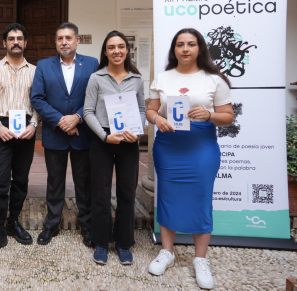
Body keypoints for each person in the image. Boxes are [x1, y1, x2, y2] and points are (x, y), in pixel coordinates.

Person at [146, 28, 234, 290]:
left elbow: (228, 116)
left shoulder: (214, 79)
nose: (185, 49)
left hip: (201, 148)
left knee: (200, 198)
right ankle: (167, 252)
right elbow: (151, 110)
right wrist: (158, 118)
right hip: (168, 146)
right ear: (174, 49)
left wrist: (208, 115)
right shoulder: (162, 77)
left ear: (200, 48)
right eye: (180, 44)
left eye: (191, 44)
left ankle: (200, 259)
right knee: (168, 197)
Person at [30, 22, 98, 247]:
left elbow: (95, 96)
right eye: (60, 38)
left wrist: (77, 117)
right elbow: (37, 98)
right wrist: (61, 121)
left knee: (84, 182)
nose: (64, 42)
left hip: (83, 133)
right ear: (56, 42)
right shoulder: (43, 65)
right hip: (55, 133)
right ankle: (52, 224)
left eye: (68, 38)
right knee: (55, 182)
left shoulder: (91, 63)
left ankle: (87, 225)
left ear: (77, 40)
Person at [83, 30, 145, 266]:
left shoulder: (137, 80)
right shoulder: (96, 78)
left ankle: (123, 243)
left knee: (127, 194)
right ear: (105, 52)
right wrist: (103, 135)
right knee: (100, 193)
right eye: (111, 47)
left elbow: (141, 109)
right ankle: (101, 241)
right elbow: (87, 111)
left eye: (120, 47)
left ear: (127, 50)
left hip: (129, 142)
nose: (116, 51)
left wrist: (137, 131)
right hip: (103, 142)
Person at [0, 23, 41, 257]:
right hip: (2, 128)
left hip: (26, 128)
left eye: (20, 38)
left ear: (26, 43)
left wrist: (34, 124)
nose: (16, 42)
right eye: (11, 38)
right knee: (0, 182)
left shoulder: (36, 71)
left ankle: (13, 222)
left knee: (21, 179)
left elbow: (40, 102)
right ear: (4, 43)